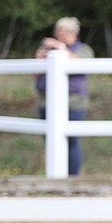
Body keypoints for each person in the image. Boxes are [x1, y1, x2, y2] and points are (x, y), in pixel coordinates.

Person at [34, 17, 95, 175]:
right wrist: (40, 59)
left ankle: (72, 176)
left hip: (73, 103)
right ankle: (55, 174)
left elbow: (80, 64)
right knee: (50, 141)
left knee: (71, 141)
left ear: (72, 33)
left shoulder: (82, 49)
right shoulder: (50, 51)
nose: (59, 37)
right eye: (57, 34)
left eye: (62, 34)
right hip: (46, 102)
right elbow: (36, 75)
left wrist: (60, 47)